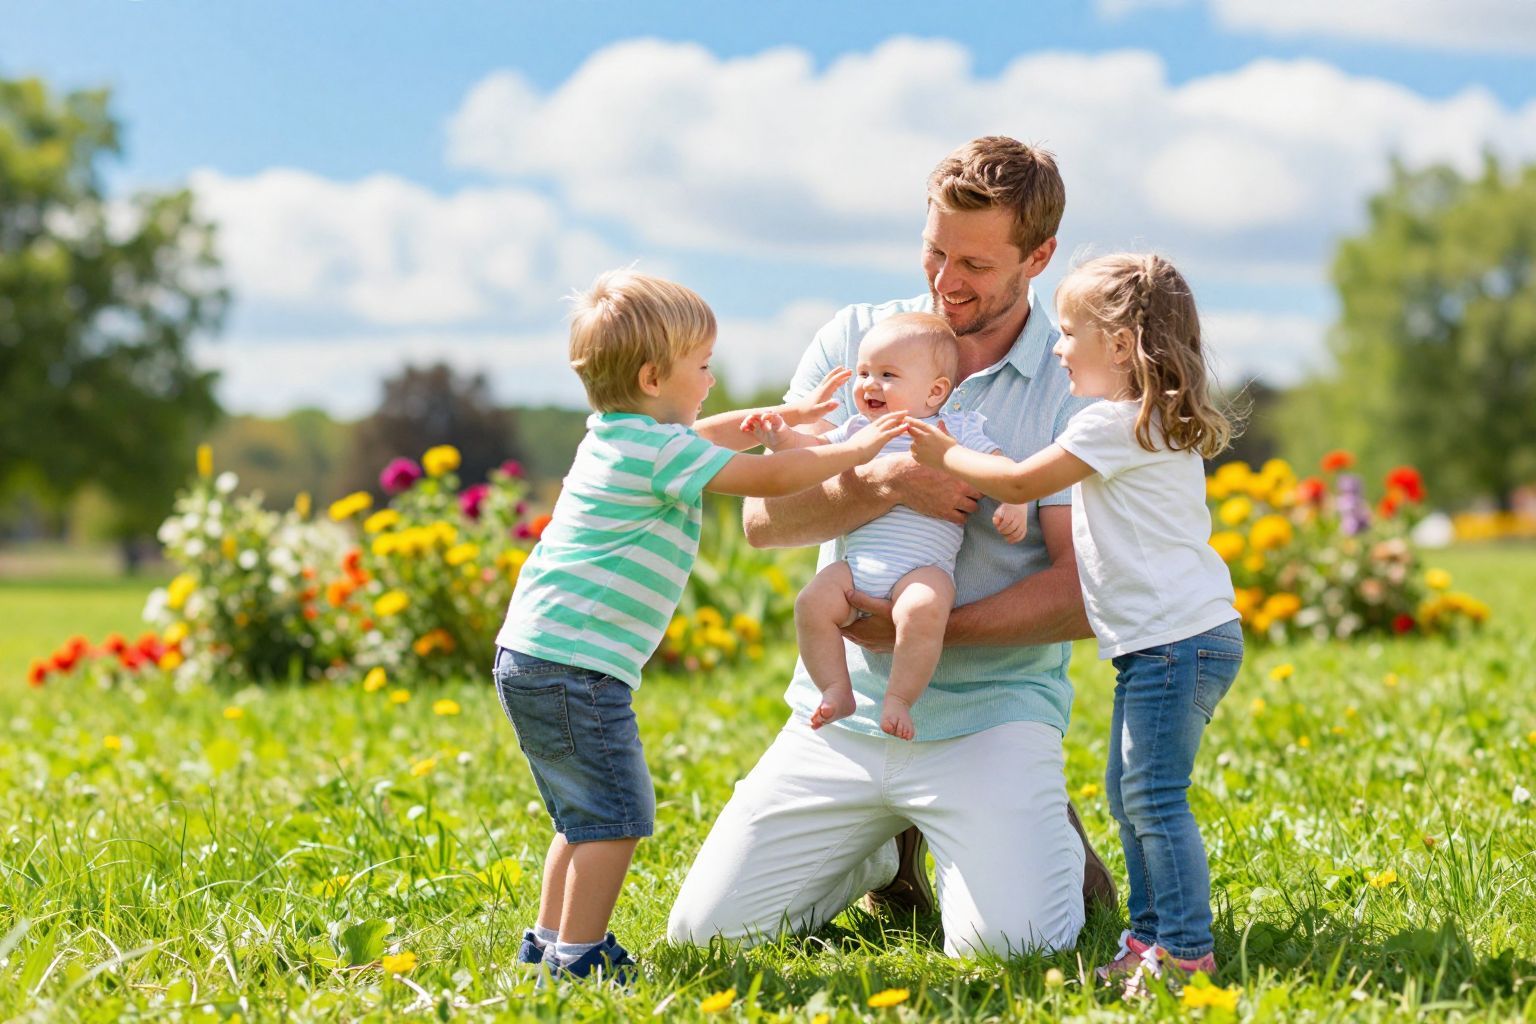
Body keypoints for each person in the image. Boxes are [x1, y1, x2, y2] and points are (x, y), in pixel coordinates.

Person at [667, 136, 1113, 959]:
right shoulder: (856, 340)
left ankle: (1018, 823)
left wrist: (928, 630)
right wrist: (889, 485)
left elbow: (1081, 591)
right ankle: (886, 847)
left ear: (1039, 256)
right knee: (705, 940)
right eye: (935, 251)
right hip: (840, 716)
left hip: (991, 719)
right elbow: (768, 522)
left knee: (1011, 951)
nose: (946, 282)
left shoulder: (1071, 376)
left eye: (976, 264)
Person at [492, 269, 906, 981]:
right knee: (616, 818)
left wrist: (783, 419)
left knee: (581, 817)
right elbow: (772, 480)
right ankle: (580, 958)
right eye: (703, 366)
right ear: (654, 377)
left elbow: (707, 435)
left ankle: (547, 941)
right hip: (578, 669)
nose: (712, 380)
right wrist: (856, 449)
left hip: (536, 656)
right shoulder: (661, 453)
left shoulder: (618, 436)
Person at [905, 252, 1243, 982]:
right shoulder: (1143, 424)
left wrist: (951, 452)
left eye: (1067, 332)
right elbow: (1051, 480)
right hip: (1177, 642)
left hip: (1171, 646)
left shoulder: (1109, 423)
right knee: (1132, 798)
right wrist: (1025, 498)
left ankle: (1184, 951)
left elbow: (1029, 472)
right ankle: (1148, 939)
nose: (1056, 347)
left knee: (1152, 798)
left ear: (1119, 343)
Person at [742, 312, 1027, 740]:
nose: (869, 384)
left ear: (935, 391)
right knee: (811, 603)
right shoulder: (859, 430)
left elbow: (1000, 466)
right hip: (857, 567)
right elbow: (815, 452)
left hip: (922, 569)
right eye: (863, 372)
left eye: (887, 374)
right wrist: (782, 439)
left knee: (923, 610)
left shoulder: (956, 430)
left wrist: (1015, 500)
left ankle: (899, 699)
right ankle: (837, 688)